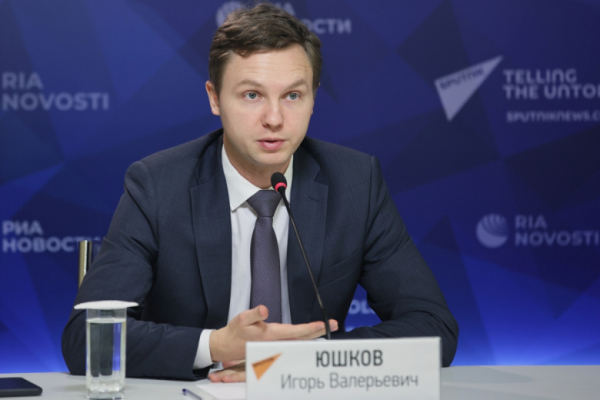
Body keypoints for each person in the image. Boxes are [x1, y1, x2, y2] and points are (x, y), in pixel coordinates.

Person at [62, 2, 458, 382]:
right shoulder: (157, 185)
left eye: (293, 96)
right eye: (252, 95)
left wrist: (303, 361)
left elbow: (434, 327)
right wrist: (215, 346)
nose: (274, 118)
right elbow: (87, 338)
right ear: (214, 98)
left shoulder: (356, 183)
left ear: (313, 98)